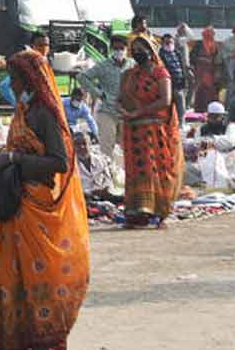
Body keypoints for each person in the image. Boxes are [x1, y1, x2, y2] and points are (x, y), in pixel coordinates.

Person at [0, 49, 90, 350]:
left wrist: (15, 159)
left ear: (27, 80)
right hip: (20, 206)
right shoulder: (25, 110)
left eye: (14, 79)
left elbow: (59, 161)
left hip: (37, 207)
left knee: (35, 280)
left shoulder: (44, 114)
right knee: (18, 279)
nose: (11, 85)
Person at [118, 36, 184, 228]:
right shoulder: (129, 74)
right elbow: (120, 98)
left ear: (151, 50)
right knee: (136, 169)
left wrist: (139, 111)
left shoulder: (161, 73)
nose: (138, 52)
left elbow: (165, 99)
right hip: (134, 131)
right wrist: (123, 111)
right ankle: (137, 211)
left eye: (142, 48)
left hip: (155, 131)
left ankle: (157, 209)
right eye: (135, 49)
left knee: (154, 168)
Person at [79, 34, 134, 158]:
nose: (119, 51)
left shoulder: (132, 64)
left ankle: (125, 175)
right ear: (111, 50)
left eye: (121, 48)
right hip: (108, 111)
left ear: (126, 49)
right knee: (106, 148)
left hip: (127, 112)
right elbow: (82, 77)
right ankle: (108, 174)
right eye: (116, 49)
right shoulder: (103, 65)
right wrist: (97, 93)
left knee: (129, 149)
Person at [190, 26, 226, 112]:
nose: (211, 35)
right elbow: (192, 57)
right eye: (210, 33)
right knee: (200, 90)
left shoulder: (216, 45)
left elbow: (219, 59)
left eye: (212, 34)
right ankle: (199, 109)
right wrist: (200, 60)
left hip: (211, 71)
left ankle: (211, 109)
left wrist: (218, 71)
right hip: (200, 71)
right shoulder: (198, 44)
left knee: (211, 91)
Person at [73, 131, 115, 202]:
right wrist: (91, 193)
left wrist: (106, 189)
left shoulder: (101, 160)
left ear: (90, 144)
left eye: (84, 143)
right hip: (83, 201)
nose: (82, 147)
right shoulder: (70, 167)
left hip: (105, 198)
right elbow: (73, 191)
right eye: (77, 144)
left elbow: (109, 180)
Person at [159, 32, 188, 122]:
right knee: (169, 107)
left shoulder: (177, 53)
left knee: (181, 106)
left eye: (171, 42)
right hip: (169, 85)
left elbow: (182, 68)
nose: (169, 45)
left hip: (179, 84)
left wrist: (184, 81)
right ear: (162, 44)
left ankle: (181, 123)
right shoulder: (160, 55)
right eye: (167, 43)